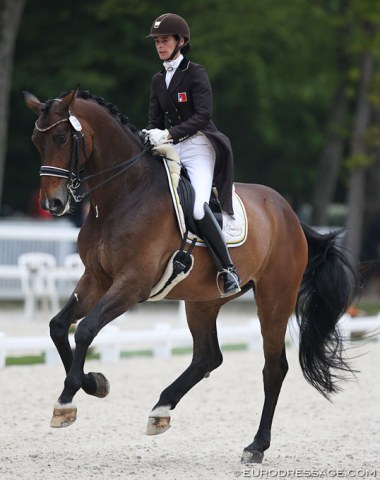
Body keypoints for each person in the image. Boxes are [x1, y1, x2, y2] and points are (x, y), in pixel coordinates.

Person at [143, 13, 240, 297]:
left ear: (180, 42)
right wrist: (150, 133)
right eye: (157, 41)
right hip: (171, 148)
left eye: (164, 40)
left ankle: (228, 269)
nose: (160, 46)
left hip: (199, 146)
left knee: (197, 208)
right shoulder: (158, 80)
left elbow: (203, 115)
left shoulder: (195, 73)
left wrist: (169, 134)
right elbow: (154, 119)